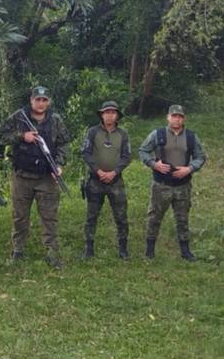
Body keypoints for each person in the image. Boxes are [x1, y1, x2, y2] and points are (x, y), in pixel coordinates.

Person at [0, 86, 70, 268]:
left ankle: (52, 252)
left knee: (49, 216)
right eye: (38, 99)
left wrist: (59, 164)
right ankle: (18, 250)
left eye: (44, 100)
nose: (41, 103)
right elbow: (2, 135)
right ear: (31, 100)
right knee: (20, 216)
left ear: (49, 102)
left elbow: (64, 143)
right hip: (22, 176)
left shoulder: (55, 120)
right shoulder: (19, 116)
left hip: (47, 177)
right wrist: (22, 136)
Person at [137, 104, 206, 261]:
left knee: (182, 218)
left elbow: (200, 156)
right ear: (168, 117)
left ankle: (185, 251)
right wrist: (154, 164)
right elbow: (143, 151)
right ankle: (149, 250)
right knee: (154, 217)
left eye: (180, 116)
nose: (177, 119)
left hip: (183, 185)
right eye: (174, 116)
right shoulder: (157, 134)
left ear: (184, 119)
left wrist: (189, 168)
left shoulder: (191, 137)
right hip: (161, 184)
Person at [80, 101, 131, 259]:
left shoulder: (122, 134)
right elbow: (86, 152)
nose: (110, 115)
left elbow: (126, 156)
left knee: (121, 216)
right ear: (102, 115)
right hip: (95, 180)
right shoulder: (92, 132)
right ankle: (89, 249)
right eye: (106, 112)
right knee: (91, 216)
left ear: (117, 116)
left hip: (116, 181)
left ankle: (123, 249)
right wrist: (98, 170)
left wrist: (114, 172)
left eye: (113, 112)